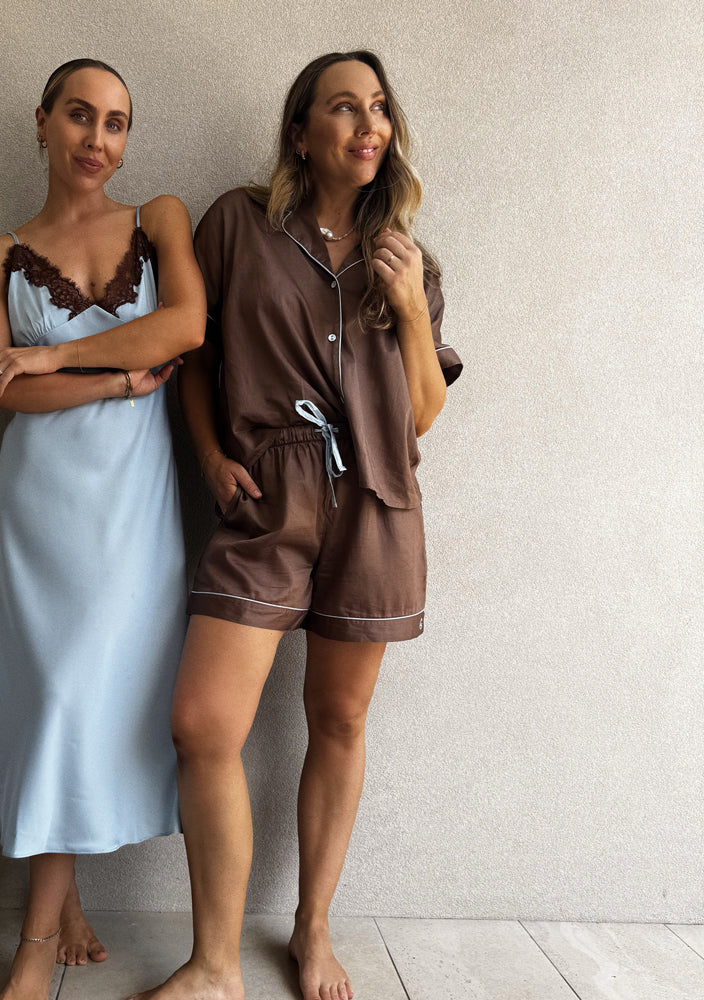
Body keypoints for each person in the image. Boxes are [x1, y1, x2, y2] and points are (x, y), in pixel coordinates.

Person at [132, 51, 462, 1000]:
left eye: (380, 109)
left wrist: (403, 309)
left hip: (375, 504)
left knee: (340, 719)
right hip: (266, 497)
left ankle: (312, 931)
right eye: (344, 108)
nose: (368, 123)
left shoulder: (413, 262)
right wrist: (208, 455)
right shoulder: (238, 224)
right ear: (301, 130)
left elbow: (422, 414)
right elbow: (193, 352)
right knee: (202, 724)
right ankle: (215, 964)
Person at [0, 58, 205, 1000]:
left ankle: (53, 914)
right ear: (42, 122)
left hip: (132, 517)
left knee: (91, 703)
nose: (97, 140)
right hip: (38, 511)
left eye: (116, 123)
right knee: (50, 700)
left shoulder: (162, 218)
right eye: (78, 116)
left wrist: (53, 353)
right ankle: (39, 933)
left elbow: (183, 324)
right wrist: (110, 381)